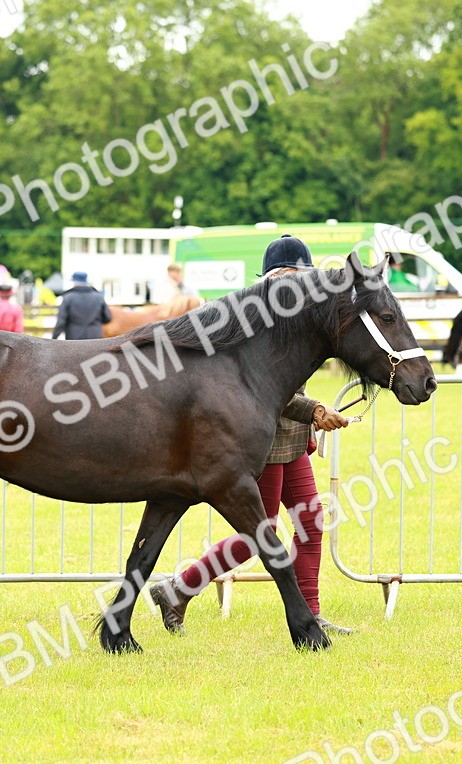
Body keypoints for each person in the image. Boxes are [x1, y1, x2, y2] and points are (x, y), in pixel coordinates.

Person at [149, 234, 354, 637]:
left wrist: (312, 410)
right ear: (281, 277)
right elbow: (264, 388)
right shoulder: (255, 317)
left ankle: (310, 614)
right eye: (297, 277)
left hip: (291, 438)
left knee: (310, 523)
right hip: (260, 439)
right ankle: (179, 588)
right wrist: (314, 409)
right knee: (262, 532)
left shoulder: (295, 314)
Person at [52, 271, 111, 340]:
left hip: (74, 338)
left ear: (74, 282)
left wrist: (54, 337)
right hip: (95, 338)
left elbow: (61, 322)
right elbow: (107, 318)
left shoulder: (68, 297)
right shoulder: (98, 297)